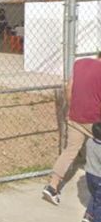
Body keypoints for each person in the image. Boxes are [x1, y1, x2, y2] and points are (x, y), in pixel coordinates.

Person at [42, 53, 101, 205]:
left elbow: (69, 89)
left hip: (75, 116)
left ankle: (52, 186)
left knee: (70, 151)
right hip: (94, 120)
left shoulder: (79, 63)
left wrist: (72, 108)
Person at [84, 123, 101, 222]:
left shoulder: (89, 142)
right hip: (99, 177)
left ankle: (89, 214)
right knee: (100, 202)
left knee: (95, 195)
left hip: (89, 174)